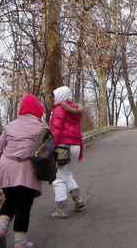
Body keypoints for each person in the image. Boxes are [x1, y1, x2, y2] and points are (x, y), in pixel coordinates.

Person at [0, 94, 47, 248]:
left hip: (6, 167)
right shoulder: (41, 126)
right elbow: (48, 152)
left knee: (10, 200)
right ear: (38, 109)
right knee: (23, 206)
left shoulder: (10, 125)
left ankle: (0, 231)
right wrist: (53, 171)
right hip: (26, 169)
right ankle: (20, 243)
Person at [49, 85, 85, 219]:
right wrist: (80, 150)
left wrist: (51, 146)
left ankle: (61, 209)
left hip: (63, 146)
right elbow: (79, 132)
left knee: (59, 178)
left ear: (59, 96)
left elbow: (56, 128)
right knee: (68, 173)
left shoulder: (59, 108)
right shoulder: (76, 111)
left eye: (54, 96)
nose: (53, 99)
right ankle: (78, 200)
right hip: (75, 145)